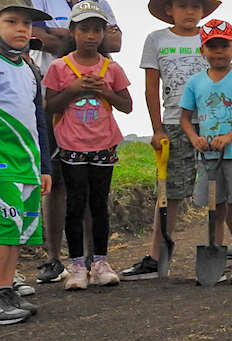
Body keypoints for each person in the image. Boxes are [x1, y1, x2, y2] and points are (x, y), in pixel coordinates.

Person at [119, 0, 220, 280]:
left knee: (219, 190)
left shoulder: (212, 35)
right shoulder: (157, 39)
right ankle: (156, 255)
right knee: (170, 192)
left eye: (196, 6)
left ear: (203, 11)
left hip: (212, 122)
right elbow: (151, 87)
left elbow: (226, 74)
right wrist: (157, 128)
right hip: (174, 123)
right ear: (169, 10)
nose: (189, 11)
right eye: (182, 5)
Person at [42, 0, 130, 291]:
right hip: (71, 144)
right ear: (73, 32)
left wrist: (104, 90)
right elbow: (50, 105)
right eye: (84, 30)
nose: (90, 36)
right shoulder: (59, 67)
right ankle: (76, 264)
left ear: (104, 34)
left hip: (103, 143)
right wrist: (73, 89)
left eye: (96, 30)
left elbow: (127, 105)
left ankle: (101, 262)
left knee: (99, 204)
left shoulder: (111, 68)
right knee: (75, 204)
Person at [180, 18, 232, 284]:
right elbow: (185, 118)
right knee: (215, 208)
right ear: (202, 50)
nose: (218, 51)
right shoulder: (195, 83)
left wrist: (230, 136)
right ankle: (216, 251)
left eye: (224, 45)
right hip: (208, 158)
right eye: (212, 46)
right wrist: (194, 138)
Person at [0, 0, 53, 323]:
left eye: (27, 24)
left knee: (18, 232)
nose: (21, 29)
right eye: (11, 21)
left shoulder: (31, 68)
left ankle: (6, 288)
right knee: (4, 229)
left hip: (27, 165)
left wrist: (44, 167)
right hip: (3, 164)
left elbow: (39, 119)